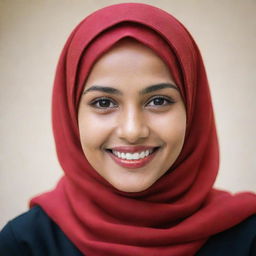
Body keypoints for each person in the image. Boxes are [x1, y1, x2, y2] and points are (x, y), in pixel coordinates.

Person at [0, 3, 256, 256]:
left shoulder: (248, 237)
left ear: (193, 110)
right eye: (103, 103)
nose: (132, 131)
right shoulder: (25, 244)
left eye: (158, 101)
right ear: (70, 115)